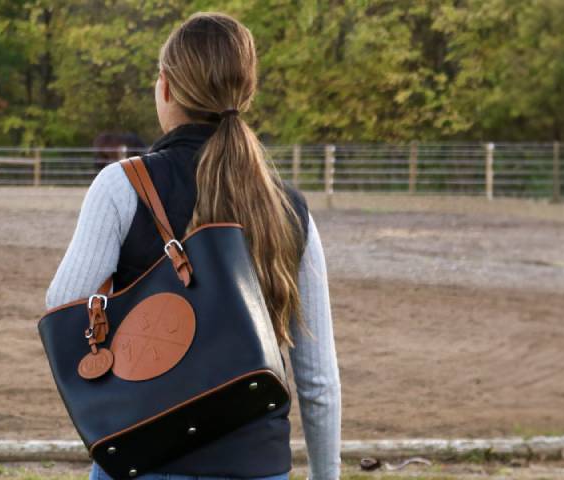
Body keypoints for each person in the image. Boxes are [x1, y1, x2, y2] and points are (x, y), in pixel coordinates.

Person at [43, 12, 341, 480]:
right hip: (257, 464)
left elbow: (62, 303)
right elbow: (318, 381)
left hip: (147, 451)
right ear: (245, 93)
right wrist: (327, 476)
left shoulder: (124, 185)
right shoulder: (290, 207)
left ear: (166, 87)